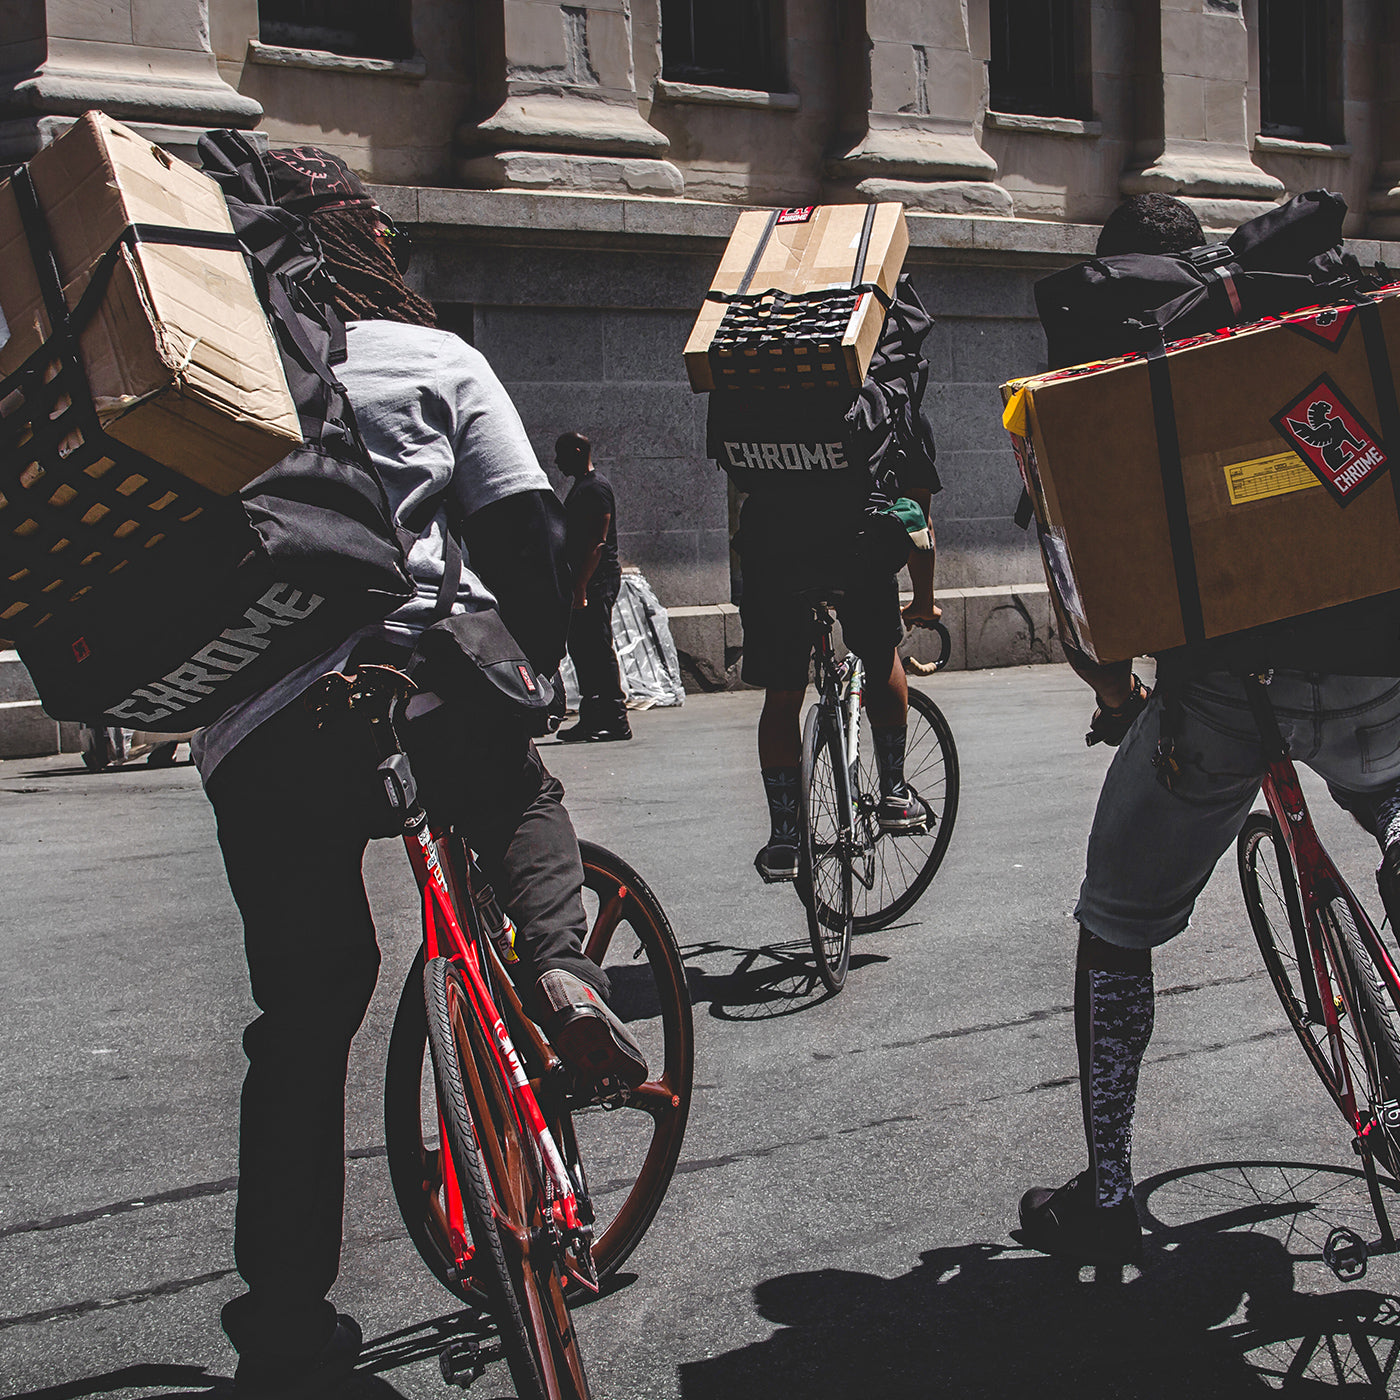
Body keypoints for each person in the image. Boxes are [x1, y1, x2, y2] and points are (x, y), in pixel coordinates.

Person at [196, 147, 646, 1394]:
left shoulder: (209, 372)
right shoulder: (431, 360)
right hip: (422, 687)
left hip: (257, 732)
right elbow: (521, 536)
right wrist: (536, 671)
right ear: (361, 242)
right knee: (517, 797)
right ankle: (557, 967)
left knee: (303, 1015)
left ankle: (285, 1317)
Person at [1017, 193, 1400, 1264]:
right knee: (1389, 795)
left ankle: (1104, 1186)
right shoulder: (1303, 319)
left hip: (1225, 691)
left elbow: (1077, 581)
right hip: (1378, 659)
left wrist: (1111, 697)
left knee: (1114, 918)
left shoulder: (1117, 373)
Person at [731, 282, 943, 883]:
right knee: (881, 656)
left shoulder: (762, 390)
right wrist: (923, 602)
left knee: (782, 694)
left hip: (772, 550)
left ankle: (784, 835)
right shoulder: (890, 398)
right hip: (856, 551)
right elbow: (917, 515)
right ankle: (897, 792)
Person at [554, 431, 631, 742]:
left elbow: (598, 544)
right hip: (584, 580)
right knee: (583, 649)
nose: (557, 462)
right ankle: (593, 717)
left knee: (597, 649)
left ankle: (616, 719)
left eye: (561, 454)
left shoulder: (595, 488)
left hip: (595, 581)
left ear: (576, 451)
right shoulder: (583, 487)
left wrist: (582, 588)